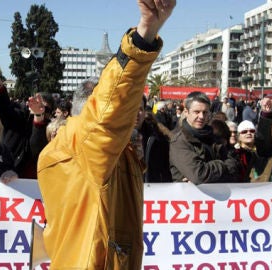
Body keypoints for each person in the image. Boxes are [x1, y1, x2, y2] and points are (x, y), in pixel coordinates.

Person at [37, 0, 176, 268]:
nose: (134, 116)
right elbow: (108, 112)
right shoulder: (84, 142)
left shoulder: (107, 150)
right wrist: (143, 38)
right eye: (128, 109)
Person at [169, 91, 240, 184]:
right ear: (186, 112)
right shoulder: (180, 141)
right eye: (197, 112)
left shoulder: (213, 137)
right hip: (190, 197)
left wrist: (208, 171)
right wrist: (222, 165)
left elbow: (233, 164)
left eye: (205, 112)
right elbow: (199, 175)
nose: (201, 116)